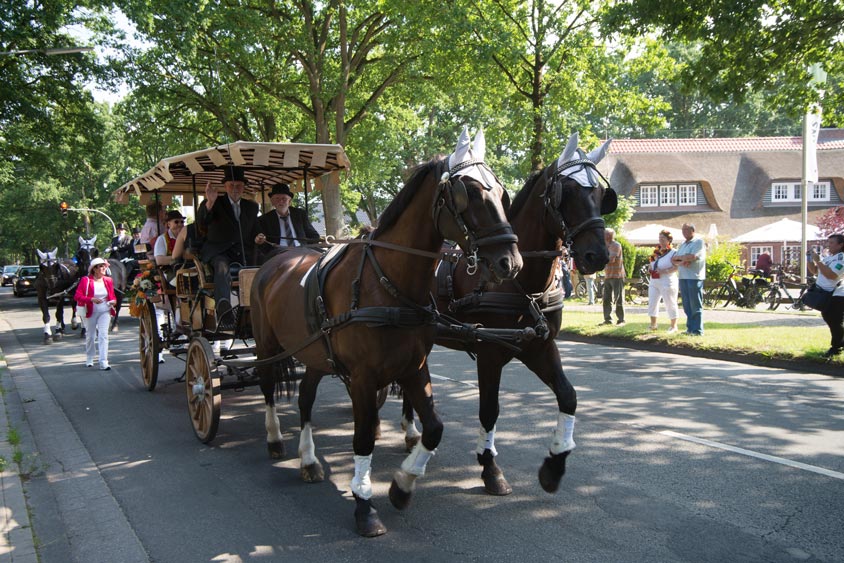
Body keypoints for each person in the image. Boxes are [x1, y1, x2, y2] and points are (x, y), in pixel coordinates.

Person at [197, 166, 259, 329]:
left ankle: (261, 308)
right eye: (231, 185)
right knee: (222, 267)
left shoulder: (252, 207)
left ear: (243, 187)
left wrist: (259, 237)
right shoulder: (214, 203)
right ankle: (223, 308)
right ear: (225, 186)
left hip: (244, 252)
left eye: (238, 185)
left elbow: (255, 230)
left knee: (264, 264)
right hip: (219, 251)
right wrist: (210, 202)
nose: (235, 189)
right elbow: (202, 223)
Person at [254, 183, 320, 263]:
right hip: (278, 253)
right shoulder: (264, 219)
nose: (281, 202)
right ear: (272, 202)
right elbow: (263, 245)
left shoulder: (300, 214)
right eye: (277, 199)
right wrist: (260, 240)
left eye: (284, 199)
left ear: (289, 201)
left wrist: (306, 247)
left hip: (301, 250)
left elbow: (314, 236)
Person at [74, 257, 117, 371]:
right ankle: (89, 357)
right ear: (94, 269)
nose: (104, 268)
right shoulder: (85, 280)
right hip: (90, 311)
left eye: (104, 266)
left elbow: (112, 296)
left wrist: (113, 301)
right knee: (91, 336)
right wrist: (91, 299)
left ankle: (104, 361)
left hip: (105, 311)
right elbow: (77, 296)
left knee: (103, 335)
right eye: (101, 266)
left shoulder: (108, 280)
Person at [807, 233, 844, 358]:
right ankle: (839, 343)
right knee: (829, 318)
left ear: (840, 245)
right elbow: (815, 271)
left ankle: (836, 347)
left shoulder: (841, 258)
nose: (828, 245)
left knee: (835, 320)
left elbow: (832, 275)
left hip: (837, 293)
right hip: (824, 293)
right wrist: (810, 259)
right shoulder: (829, 258)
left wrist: (818, 260)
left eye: (832, 243)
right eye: (828, 243)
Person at [673, 223, 707, 336]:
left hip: (694, 277)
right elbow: (674, 259)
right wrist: (684, 259)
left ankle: (697, 330)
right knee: (687, 305)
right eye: (682, 230)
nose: (684, 232)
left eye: (686, 230)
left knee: (695, 304)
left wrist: (684, 259)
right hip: (683, 276)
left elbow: (693, 257)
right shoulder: (682, 244)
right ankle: (690, 328)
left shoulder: (698, 242)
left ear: (692, 230)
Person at [647, 230, 679, 333]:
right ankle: (653, 324)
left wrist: (664, 271)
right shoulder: (656, 252)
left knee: (670, 303)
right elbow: (652, 263)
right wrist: (650, 268)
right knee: (652, 302)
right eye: (659, 238)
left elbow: (676, 267)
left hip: (667, 280)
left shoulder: (674, 252)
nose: (660, 241)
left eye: (663, 239)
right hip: (654, 280)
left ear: (669, 240)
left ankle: (673, 326)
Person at [601, 227, 625, 325]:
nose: (606, 236)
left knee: (618, 298)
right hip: (607, 275)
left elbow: (611, 259)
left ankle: (621, 319)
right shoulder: (603, 246)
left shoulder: (616, 245)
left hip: (617, 276)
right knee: (606, 298)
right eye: (605, 234)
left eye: (608, 234)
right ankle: (607, 319)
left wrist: (600, 259)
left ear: (611, 236)